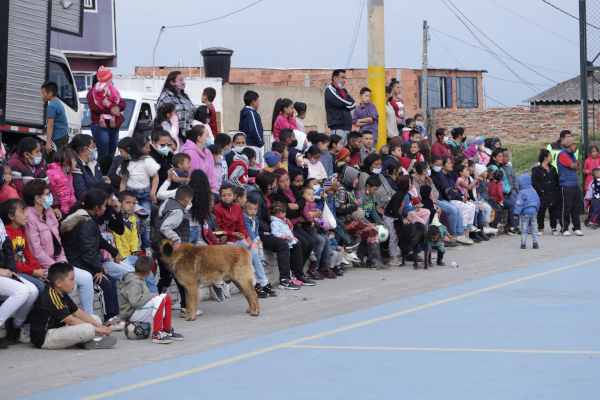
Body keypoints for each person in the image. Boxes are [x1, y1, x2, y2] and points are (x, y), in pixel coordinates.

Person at [21, 179, 95, 315]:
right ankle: (65, 323)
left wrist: (63, 263)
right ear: (37, 198)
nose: (50, 197)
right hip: (43, 265)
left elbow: (58, 243)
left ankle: (89, 318)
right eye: (47, 194)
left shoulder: (49, 213)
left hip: (57, 261)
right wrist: (58, 268)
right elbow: (36, 252)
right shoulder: (29, 218)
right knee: (66, 283)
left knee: (86, 278)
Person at [60, 190, 123, 330]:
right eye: (104, 206)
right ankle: (108, 318)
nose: (105, 209)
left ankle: (114, 316)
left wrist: (99, 265)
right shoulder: (85, 223)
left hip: (85, 262)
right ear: (97, 207)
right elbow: (87, 252)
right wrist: (98, 269)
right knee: (105, 283)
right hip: (78, 264)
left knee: (111, 280)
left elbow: (92, 247)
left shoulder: (87, 219)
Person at [29, 262, 116, 350]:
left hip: (60, 329)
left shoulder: (62, 293)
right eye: (71, 279)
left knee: (95, 319)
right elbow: (70, 320)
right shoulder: (50, 296)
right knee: (88, 329)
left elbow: (78, 312)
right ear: (59, 282)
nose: (75, 283)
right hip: (45, 338)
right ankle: (89, 339)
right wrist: (99, 329)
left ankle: (86, 340)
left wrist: (100, 326)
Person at [247, 172, 303, 290]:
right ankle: (284, 280)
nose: (276, 185)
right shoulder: (256, 197)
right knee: (283, 245)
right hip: (261, 231)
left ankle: (297, 275)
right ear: (268, 185)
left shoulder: (271, 196)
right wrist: (272, 228)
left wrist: (282, 222)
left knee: (296, 242)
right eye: (274, 183)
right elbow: (257, 219)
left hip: (273, 227)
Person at [213, 183, 273, 290]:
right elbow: (217, 230)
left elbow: (241, 226)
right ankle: (252, 285)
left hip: (237, 240)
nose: (226, 198)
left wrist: (248, 237)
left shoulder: (237, 207)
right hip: (226, 242)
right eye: (224, 195)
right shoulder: (217, 209)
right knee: (245, 257)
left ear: (234, 196)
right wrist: (232, 234)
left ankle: (264, 282)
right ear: (220, 197)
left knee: (254, 254)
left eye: (229, 195)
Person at [119, 256, 184, 344]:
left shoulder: (138, 279)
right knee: (158, 300)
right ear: (150, 273)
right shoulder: (133, 282)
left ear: (134, 265)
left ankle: (167, 329)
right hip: (131, 314)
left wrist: (151, 297)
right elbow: (136, 302)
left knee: (165, 297)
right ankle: (156, 333)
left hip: (137, 310)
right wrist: (151, 296)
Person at [336, 166, 389, 270]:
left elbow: (372, 211)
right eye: (355, 178)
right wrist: (355, 205)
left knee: (369, 232)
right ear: (349, 177)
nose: (357, 181)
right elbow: (339, 208)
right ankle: (376, 262)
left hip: (351, 219)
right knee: (372, 231)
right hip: (345, 221)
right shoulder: (342, 191)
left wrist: (380, 221)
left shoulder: (351, 190)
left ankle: (361, 260)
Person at [0, 220, 39, 348]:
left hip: (4, 270)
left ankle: (16, 327)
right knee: (21, 290)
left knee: (32, 291)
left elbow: (8, 249)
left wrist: (11, 271)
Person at [117, 137, 160, 252]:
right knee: (132, 221)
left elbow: (155, 176)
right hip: (131, 196)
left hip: (145, 196)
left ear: (129, 149)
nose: (120, 154)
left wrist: (152, 193)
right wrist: (121, 199)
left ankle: (146, 247)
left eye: (121, 151)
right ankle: (134, 247)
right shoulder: (125, 164)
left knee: (146, 222)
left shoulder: (146, 160)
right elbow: (123, 182)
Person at [271, 169, 317, 271]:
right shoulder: (277, 193)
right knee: (302, 243)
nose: (286, 183)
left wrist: (296, 206)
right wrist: (299, 208)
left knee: (310, 242)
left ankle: (299, 270)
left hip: (295, 223)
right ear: (277, 183)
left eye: (287, 180)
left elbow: (302, 201)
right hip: (287, 225)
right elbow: (287, 212)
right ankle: (294, 271)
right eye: (282, 181)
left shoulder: (291, 187)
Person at [86, 69, 126, 158]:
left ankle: (109, 171)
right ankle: (102, 171)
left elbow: (122, 103)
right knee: (103, 154)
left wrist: (118, 107)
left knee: (112, 154)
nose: (110, 81)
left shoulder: (112, 89)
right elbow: (93, 108)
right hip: (100, 126)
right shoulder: (92, 92)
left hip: (113, 126)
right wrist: (110, 111)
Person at [556, 137, 584, 236]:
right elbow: (573, 166)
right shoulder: (562, 155)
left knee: (577, 207)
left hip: (575, 184)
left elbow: (578, 167)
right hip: (566, 185)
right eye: (574, 144)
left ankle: (576, 228)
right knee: (566, 208)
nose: (575, 146)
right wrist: (576, 163)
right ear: (570, 145)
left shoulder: (572, 155)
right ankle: (564, 228)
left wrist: (576, 163)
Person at [487, 149, 519, 235]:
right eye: (499, 156)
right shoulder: (492, 168)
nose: (502, 158)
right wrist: (506, 191)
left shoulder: (501, 167)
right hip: (497, 195)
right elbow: (498, 184)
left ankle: (514, 225)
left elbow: (505, 182)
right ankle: (512, 228)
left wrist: (508, 191)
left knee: (518, 202)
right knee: (512, 205)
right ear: (494, 157)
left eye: (502, 156)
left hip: (506, 193)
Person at [157, 71, 196, 139]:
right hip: (173, 135)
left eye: (183, 80)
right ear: (172, 82)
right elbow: (162, 114)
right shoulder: (166, 96)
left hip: (187, 135)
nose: (183, 82)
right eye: (180, 80)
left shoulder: (184, 96)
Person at [181, 125, 219, 194]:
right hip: (197, 191)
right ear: (199, 138)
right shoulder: (191, 153)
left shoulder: (207, 152)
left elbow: (212, 172)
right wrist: (209, 191)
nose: (209, 137)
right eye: (207, 135)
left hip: (208, 189)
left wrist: (214, 188)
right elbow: (193, 178)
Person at [531, 149, 560, 236]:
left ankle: (553, 227)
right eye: (550, 156)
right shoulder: (536, 169)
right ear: (545, 158)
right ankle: (540, 228)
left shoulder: (552, 168)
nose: (552, 158)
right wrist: (540, 189)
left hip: (553, 193)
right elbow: (534, 181)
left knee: (553, 211)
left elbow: (556, 180)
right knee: (541, 212)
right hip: (542, 194)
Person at [325, 69, 356, 144]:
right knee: (338, 151)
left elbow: (354, 103)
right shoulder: (330, 89)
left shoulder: (344, 91)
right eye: (342, 78)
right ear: (335, 78)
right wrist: (346, 104)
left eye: (345, 78)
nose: (344, 80)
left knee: (346, 152)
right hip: (338, 126)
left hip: (347, 127)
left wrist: (344, 105)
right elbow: (339, 101)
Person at [41, 81, 69, 162]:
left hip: (57, 137)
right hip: (63, 135)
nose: (42, 95)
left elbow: (50, 125)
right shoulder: (58, 103)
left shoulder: (52, 106)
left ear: (50, 93)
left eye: (43, 93)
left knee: (52, 161)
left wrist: (48, 142)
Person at [70, 134, 104, 199]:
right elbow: (81, 193)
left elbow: (102, 183)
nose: (94, 149)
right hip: (89, 203)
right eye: (92, 147)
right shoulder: (75, 165)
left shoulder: (95, 163)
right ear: (85, 149)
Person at [46, 146, 77, 214]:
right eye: (74, 160)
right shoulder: (51, 173)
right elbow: (50, 193)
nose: (76, 163)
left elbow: (71, 193)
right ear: (66, 162)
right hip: (60, 210)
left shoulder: (69, 175)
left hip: (70, 209)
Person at [514, 173, 540, 249]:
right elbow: (538, 201)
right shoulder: (534, 191)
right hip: (533, 212)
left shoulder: (521, 193)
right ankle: (535, 243)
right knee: (533, 228)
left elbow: (519, 204)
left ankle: (523, 244)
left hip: (525, 213)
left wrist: (516, 213)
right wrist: (536, 210)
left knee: (524, 228)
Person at [239, 90, 264, 164]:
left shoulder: (244, 112)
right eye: (258, 101)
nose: (258, 103)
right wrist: (260, 141)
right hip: (253, 144)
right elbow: (254, 129)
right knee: (256, 165)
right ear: (253, 102)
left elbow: (241, 128)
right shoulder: (251, 113)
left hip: (248, 144)